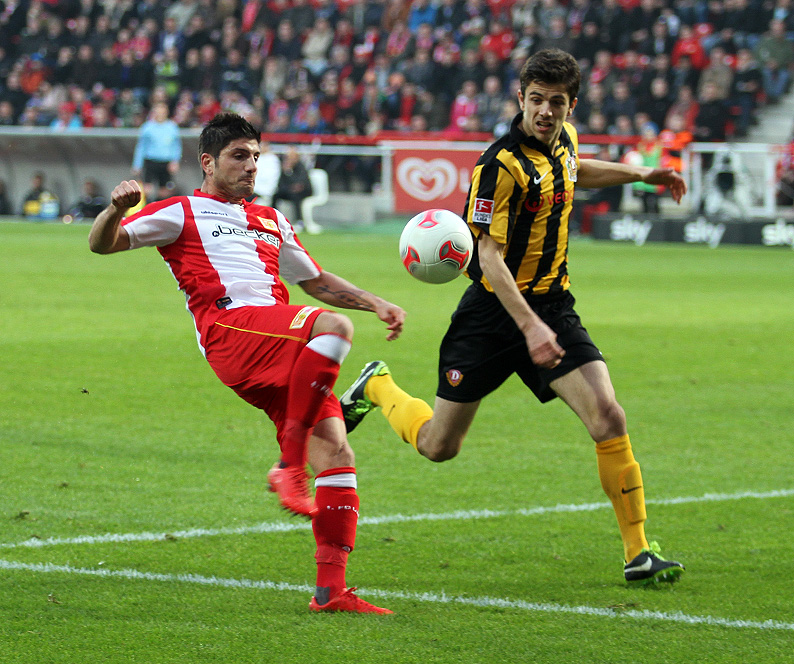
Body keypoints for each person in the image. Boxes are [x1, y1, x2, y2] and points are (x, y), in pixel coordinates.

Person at [340, 49, 687, 587]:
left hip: (553, 306)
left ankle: (638, 551)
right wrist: (528, 326)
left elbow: (576, 172)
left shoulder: (565, 142)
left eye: (557, 102)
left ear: (571, 106)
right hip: (492, 315)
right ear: (520, 98)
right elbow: (488, 258)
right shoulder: (497, 167)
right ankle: (377, 386)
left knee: (608, 417)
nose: (546, 111)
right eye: (537, 100)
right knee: (439, 446)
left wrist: (643, 173)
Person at [88, 113, 404, 614]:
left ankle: (330, 592)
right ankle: (288, 464)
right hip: (232, 332)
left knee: (337, 455)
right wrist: (114, 209)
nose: (251, 165)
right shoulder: (181, 211)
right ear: (208, 162)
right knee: (333, 328)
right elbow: (101, 243)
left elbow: (315, 282)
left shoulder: (272, 220)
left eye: (256, 155)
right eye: (239, 155)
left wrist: (376, 302)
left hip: (283, 342)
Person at [131, 102, 182, 202]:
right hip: (151, 161)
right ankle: (148, 207)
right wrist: (137, 165)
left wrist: (175, 161)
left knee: (165, 190)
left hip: (165, 161)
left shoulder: (172, 127)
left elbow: (177, 146)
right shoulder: (147, 127)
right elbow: (141, 147)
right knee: (147, 189)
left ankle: (161, 207)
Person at [272, 147, 313, 232]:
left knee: (296, 197)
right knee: (276, 196)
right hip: (289, 190)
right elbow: (281, 183)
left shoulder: (300, 167)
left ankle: (299, 221)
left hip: (303, 192)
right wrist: (287, 172)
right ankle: (274, 219)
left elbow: (301, 183)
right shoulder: (284, 168)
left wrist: (289, 172)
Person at [252, 139, 281, 206]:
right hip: (253, 189)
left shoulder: (273, 159)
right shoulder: (255, 158)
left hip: (265, 191)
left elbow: (272, 178)